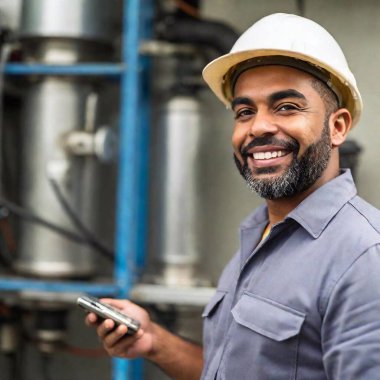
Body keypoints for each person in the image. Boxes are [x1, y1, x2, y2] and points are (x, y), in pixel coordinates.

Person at [85, 13, 380, 380]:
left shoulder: (364, 258)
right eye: (244, 112)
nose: (257, 127)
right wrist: (153, 341)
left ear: (337, 127)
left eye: (286, 107)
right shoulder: (261, 234)